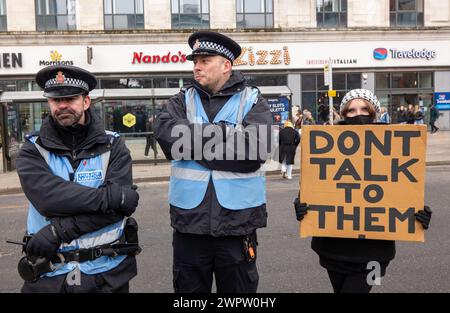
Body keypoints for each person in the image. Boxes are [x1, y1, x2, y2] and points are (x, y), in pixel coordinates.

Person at [154, 31, 272, 293]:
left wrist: (190, 143)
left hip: (237, 225)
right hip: (189, 225)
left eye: (205, 60)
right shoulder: (181, 100)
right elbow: (166, 137)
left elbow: (255, 150)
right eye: (195, 61)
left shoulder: (252, 100)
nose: (196, 67)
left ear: (226, 65)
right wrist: (229, 136)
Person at [15, 65, 141, 293]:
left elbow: (119, 210)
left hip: (107, 273)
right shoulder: (33, 148)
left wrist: (57, 231)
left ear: (86, 102)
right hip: (49, 275)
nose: (62, 105)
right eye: (55, 100)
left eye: (70, 98)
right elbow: (48, 200)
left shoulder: (113, 145)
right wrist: (109, 197)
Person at [293, 88, 433, 293]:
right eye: (351, 110)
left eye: (364, 109)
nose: (358, 115)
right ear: (343, 115)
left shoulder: (393, 145)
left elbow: (401, 191)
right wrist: (303, 207)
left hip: (377, 257)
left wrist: (419, 215)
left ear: (374, 112)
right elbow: (319, 186)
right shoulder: (328, 144)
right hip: (332, 252)